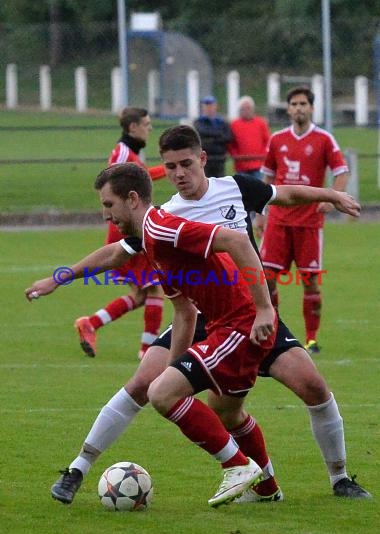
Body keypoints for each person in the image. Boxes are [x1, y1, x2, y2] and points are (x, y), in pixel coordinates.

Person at [26, 126, 370, 506]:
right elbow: (117, 256)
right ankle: (79, 467)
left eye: (185, 163)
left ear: (202, 159)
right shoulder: (162, 216)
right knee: (147, 384)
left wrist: (332, 194)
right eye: (170, 166)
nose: (178, 173)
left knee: (312, 388)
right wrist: (61, 278)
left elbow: (285, 195)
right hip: (201, 313)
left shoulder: (233, 189)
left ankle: (338, 478)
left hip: (251, 313)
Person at [28, 161, 280, 508]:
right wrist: (176, 370)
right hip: (226, 326)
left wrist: (265, 308)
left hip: (240, 323)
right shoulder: (151, 242)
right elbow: (184, 312)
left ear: (132, 199)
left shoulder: (162, 229)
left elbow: (236, 239)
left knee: (160, 392)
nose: (106, 216)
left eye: (108, 205)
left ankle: (237, 466)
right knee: (225, 411)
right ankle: (268, 488)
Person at [257, 86, 349, 355]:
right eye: (294, 104)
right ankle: (273, 333)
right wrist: (260, 214)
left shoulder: (323, 139)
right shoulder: (277, 139)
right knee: (267, 278)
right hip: (278, 222)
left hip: (309, 224)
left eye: (303, 104)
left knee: (309, 282)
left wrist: (332, 197)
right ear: (288, 109)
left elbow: (341, 172)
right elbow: (266, 178)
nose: (298, 108)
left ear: (311, 108)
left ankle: (311, 339)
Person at [75, 107, 166, 360]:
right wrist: (169, 169)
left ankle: (90, 323)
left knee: (140, 294)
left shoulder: (129, 152)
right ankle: (147, 352)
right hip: (128, 228)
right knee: (156, 289)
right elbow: (123, 183)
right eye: (146, 124)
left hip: (128, 226)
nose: (149, 128)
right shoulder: (123, 152)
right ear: (132, 127)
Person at [228, 95, 271, 179]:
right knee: (243, 190)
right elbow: (231, 144)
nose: (246, 111)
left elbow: (268, 141)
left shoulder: (261, 123)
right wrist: (235, 155)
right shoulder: (234, 124)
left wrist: (263, 155)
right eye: (243, 109)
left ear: (253, 109)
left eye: (248, 108)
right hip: (241, 165)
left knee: (259, 189)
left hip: (259, 164)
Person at [193, 95, 232, 177]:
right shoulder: (198, 122)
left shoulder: (222, 121)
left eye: (211, 105)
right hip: (205, 158)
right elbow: (202, 133)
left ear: (215, 106)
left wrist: (210, 138)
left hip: (220, 157)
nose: (209, 108)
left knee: (220, 182)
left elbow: (228, 137)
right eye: (206, 106)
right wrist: (218, 136)